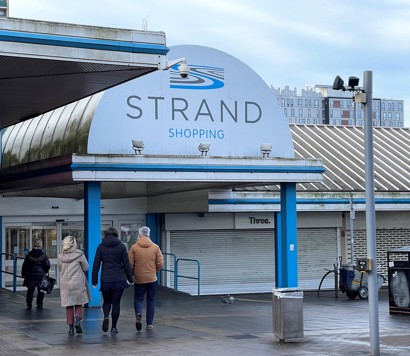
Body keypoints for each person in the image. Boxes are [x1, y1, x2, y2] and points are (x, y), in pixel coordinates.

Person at [92, 227, 134, 334]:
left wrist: (94, 281)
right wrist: (130, 279)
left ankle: (106, 317)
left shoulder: (101, 247)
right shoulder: (121, 246)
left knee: (106, 301)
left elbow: (96, 265)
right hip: (119, 279)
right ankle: (114, 327)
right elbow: (126, 265)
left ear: (106, 235)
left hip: (106, 279)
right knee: (116, 303)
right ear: (116, 235)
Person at [128, 226, 163, 332]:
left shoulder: (134, 247)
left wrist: (134, 272)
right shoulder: (155, 247)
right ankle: (149, 324)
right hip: (152, 278)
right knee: (151, 300)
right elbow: (160, 262)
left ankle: (138, 313)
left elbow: (130, 263)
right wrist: (155, 270)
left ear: (139, 235)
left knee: (138, 298)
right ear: (149, 234)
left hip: (139, 278)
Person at [57, 236, 90, 335]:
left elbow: (60, 269)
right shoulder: (79, 254)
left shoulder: (60, 256)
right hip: (77, 282)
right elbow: (86, 268)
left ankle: (71, 329)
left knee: (69, 305)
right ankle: (78, 321)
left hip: (66, 283)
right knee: (78, 303)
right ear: (73, 244)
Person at [21, 238, 50, 309]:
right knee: (41, 290)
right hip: (40, 275)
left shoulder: (29, 255)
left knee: (30, 289)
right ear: (40, 245)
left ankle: (29, 303)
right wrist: (44, 271)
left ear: (34, 244)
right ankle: (39, 303)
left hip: (31, 274)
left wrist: (23, 274)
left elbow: (25, 265)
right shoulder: (43, 255)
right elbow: (47, 265)